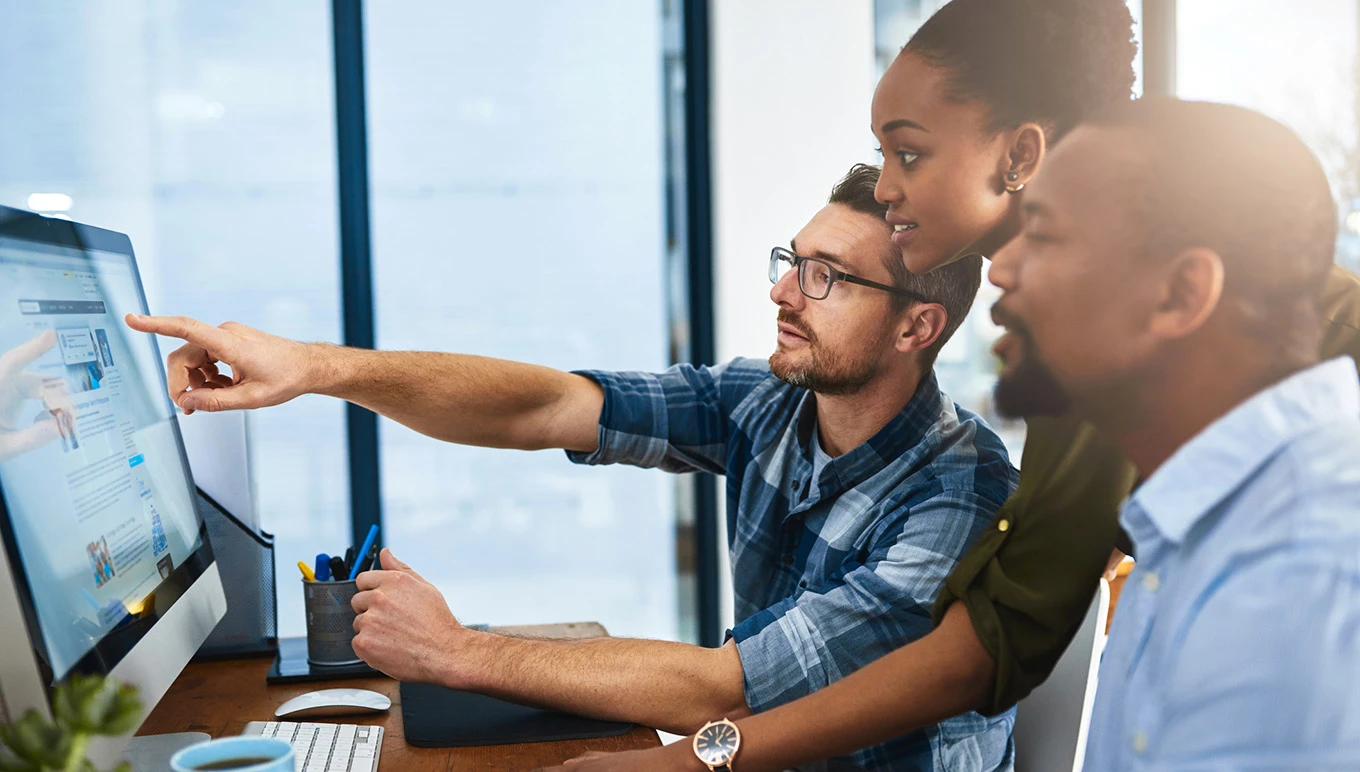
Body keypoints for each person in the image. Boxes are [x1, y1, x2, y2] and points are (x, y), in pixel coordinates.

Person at [541, 0, 1360, 768]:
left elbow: (990, 643)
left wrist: (701, 759)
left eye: (909, 151)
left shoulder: (1149, 389)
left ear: (1020, 157)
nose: (886, 184)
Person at [127, 165, 1022, 771]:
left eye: (828, 276)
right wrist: (320, 370)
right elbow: (548, 404)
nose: (784, 291)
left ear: (917, 328)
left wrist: (457, 650)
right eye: (794, 261)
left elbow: (723, 683)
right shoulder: (772, 401)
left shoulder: (958, 497)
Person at [996, 99, 1360, 768]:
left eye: (1042, 236)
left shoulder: (1301, 574)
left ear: (1181, 294)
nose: (1001, 269)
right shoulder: (1203, 522)